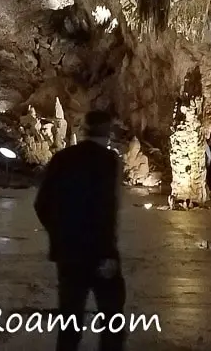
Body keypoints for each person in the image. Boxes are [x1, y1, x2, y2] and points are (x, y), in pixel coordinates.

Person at [34, 110, 126, 351]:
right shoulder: (108, 161)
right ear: (107, 129)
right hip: (99, 253)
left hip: (68, 254)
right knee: (112, 318)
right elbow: (104, 209)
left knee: (70, 320)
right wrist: (107, 252)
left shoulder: (62, 158)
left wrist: (59, 237)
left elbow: (41, 204)